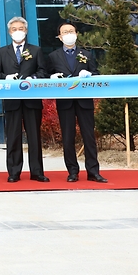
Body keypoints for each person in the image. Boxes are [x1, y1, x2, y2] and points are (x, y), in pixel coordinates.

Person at [48, 23, 108, 184]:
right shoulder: (53, 56)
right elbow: (47, 76)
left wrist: (89, 74)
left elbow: (96, 74)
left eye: (71, 31)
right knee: (68, 138)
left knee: (89, 136)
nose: (68, 34)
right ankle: (72, 171)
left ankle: (93, 171)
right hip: (65, 102)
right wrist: (52, 77)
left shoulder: (86, 54)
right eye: (65, 32)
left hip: (84, 101)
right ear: (60, 37)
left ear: (76, 34)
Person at [0, 16, 48, 183]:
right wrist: (5, 77)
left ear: (26, 31)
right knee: (13, 137)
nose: (18, 32)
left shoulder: (36, 50)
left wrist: (33, 77)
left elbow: (43, 71)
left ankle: (37, 172)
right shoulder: (1, 52)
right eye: (14, 29)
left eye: (21, 29)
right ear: (9, 32)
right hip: (12, 100)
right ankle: (14, 172)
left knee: (34, 137)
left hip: (31, 100)